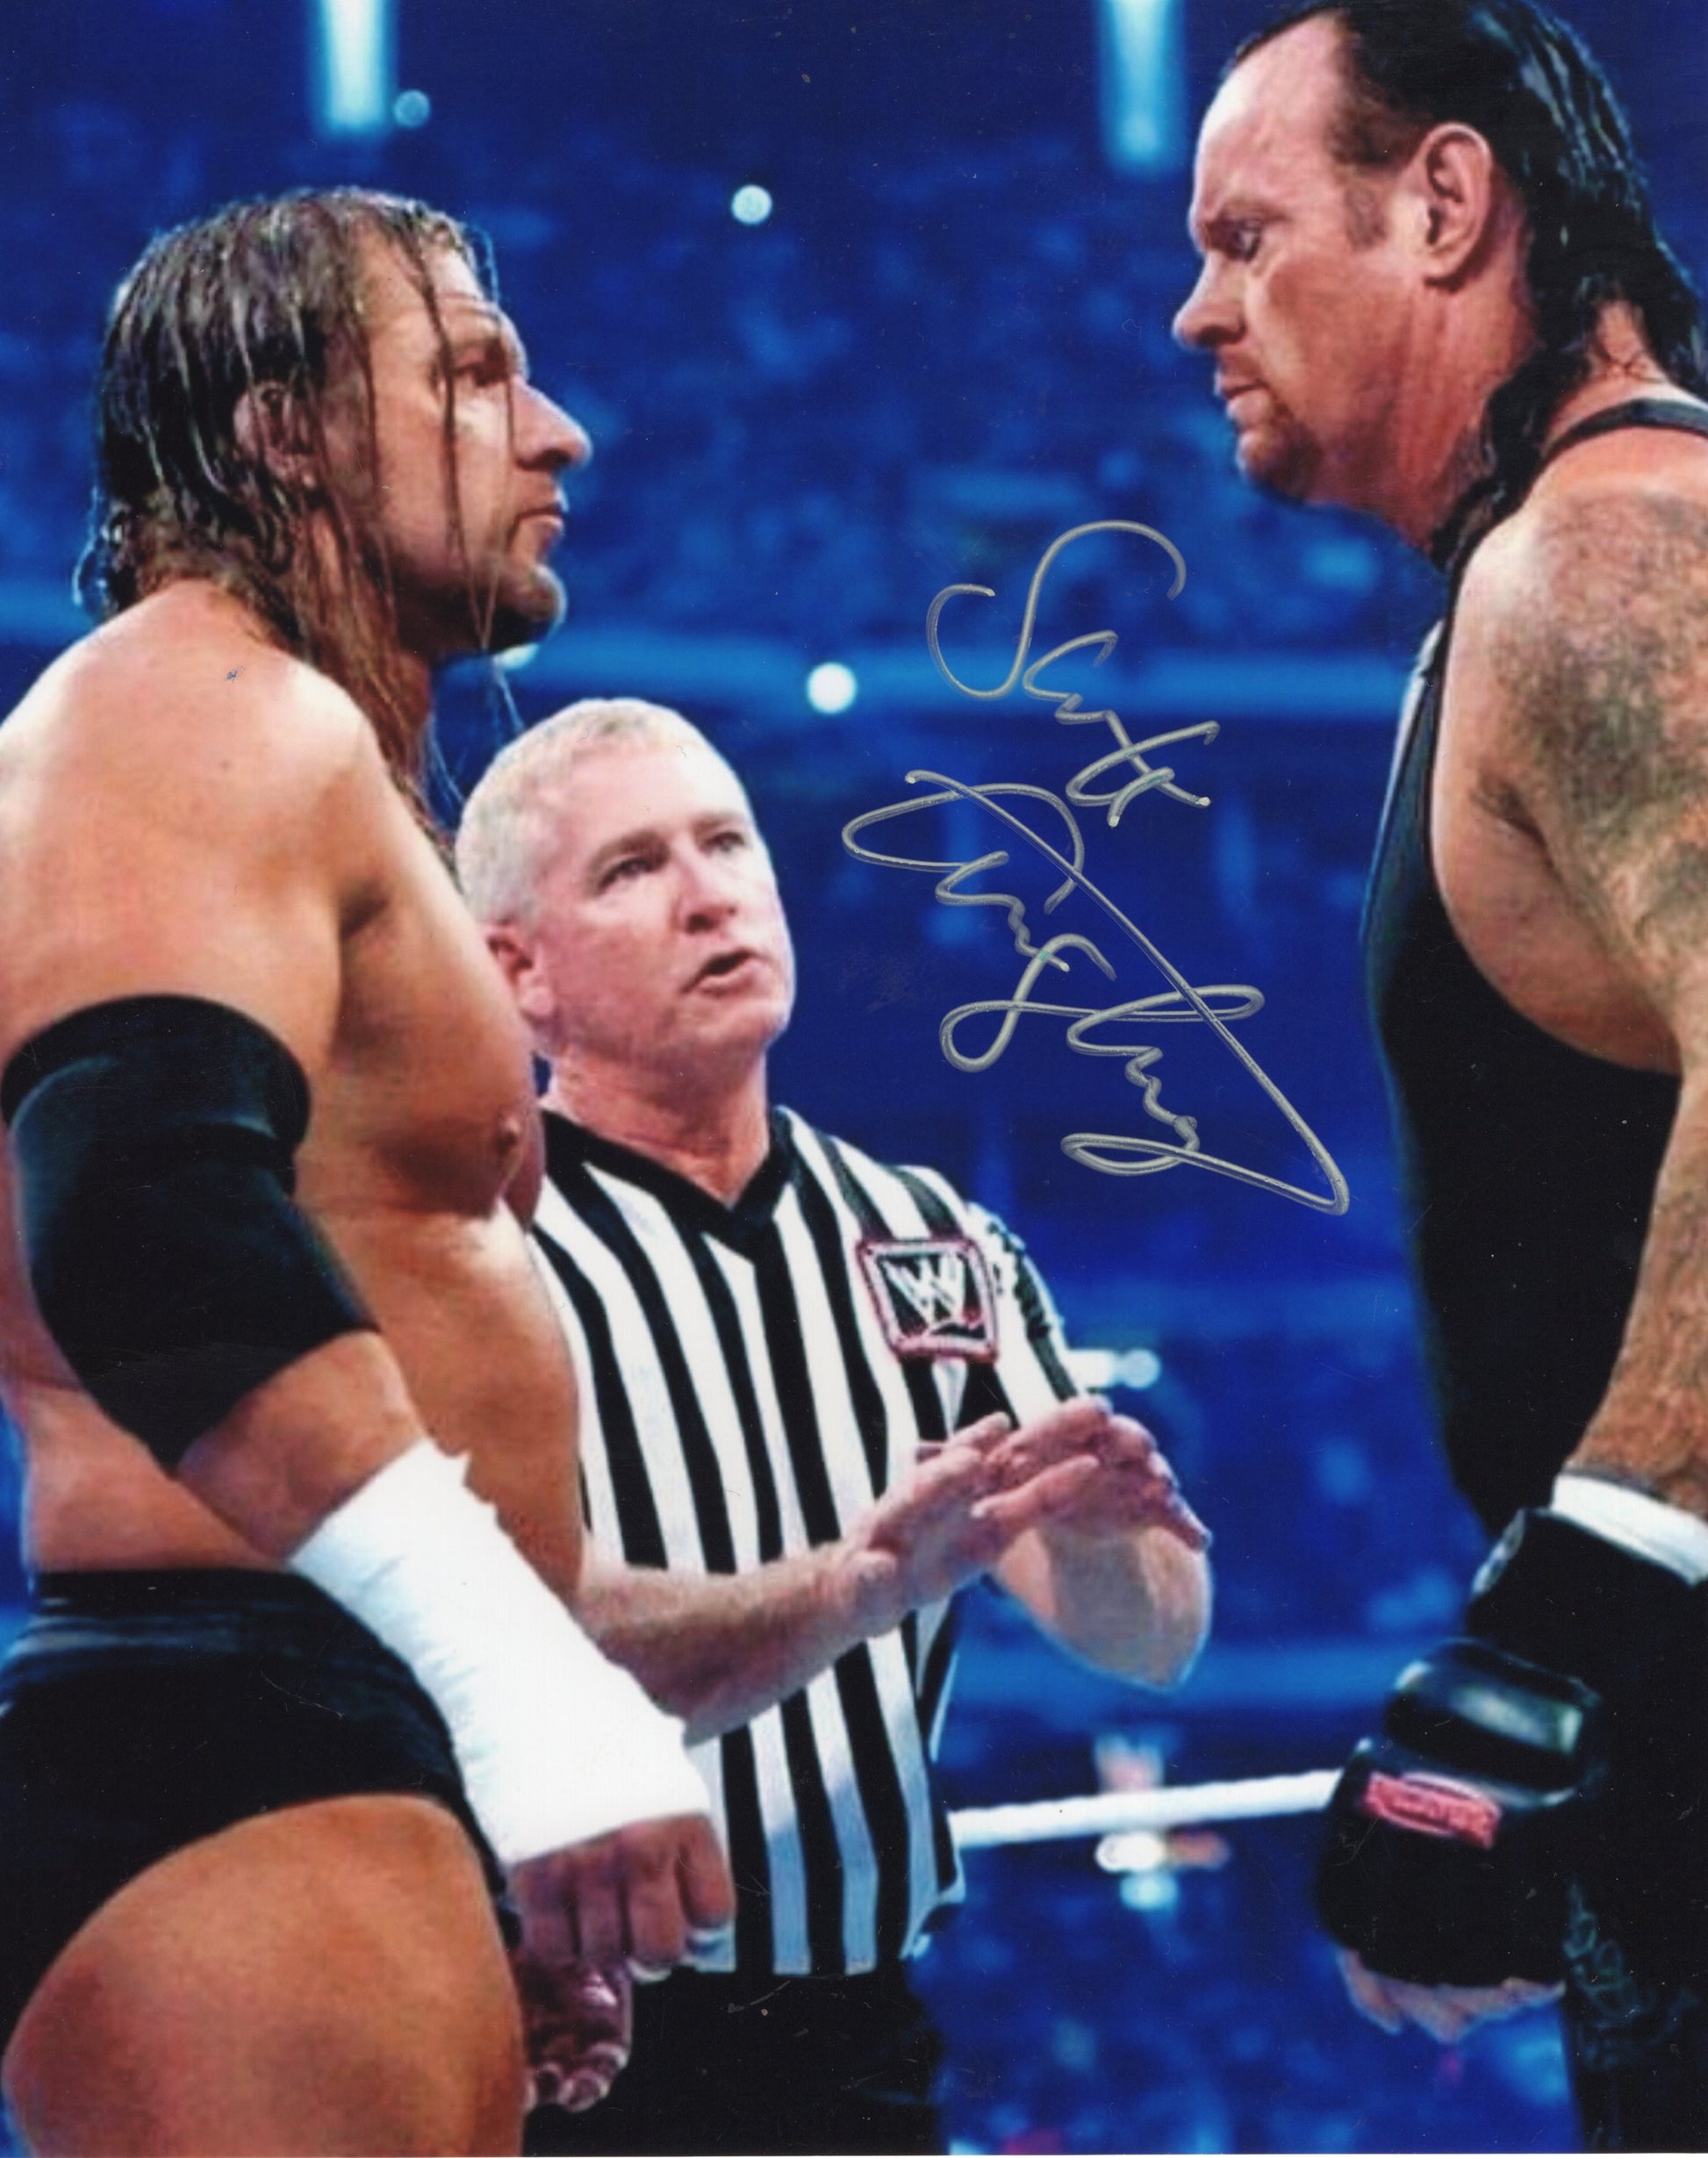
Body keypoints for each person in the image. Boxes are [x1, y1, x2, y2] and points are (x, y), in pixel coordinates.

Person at [0, 190, 736, 2157]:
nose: (559, 433)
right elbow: (141, 1219)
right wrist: (523, 1691)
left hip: (334, 1736)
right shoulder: (189, 705)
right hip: (236, 1736)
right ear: (285, 434)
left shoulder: (301, 751)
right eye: (474, 375)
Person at [1175, 1, 1708, 2146]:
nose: (1194, 309)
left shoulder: (1610, 555)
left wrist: (1565, 1627)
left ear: (1445, 203)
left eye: (1244, 234)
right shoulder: (1558, 561)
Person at [454, 694, 1215, 2154]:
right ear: (518, 972)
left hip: (854, 2032)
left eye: (727, 843)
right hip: (553, 2021)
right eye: (632, 868)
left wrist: (1102, 1535)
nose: (708, 896)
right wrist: (857, 1585)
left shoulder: (929, 1235)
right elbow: (517, 1646)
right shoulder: (476, 1241)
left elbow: (1153, 1641)